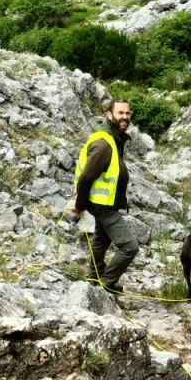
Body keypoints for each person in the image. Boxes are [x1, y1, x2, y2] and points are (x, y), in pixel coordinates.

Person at [71, 99, 139, 291]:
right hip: (102, 205)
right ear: (109, 114)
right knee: (129, 246)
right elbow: (85, 178)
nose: (125, 117)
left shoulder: (113, 138)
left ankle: (94, 278)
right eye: (120, 113)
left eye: (127, 113)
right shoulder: (104, 144)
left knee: (101, 240)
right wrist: (79, 205)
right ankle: (106, 285)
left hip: (104, 202)